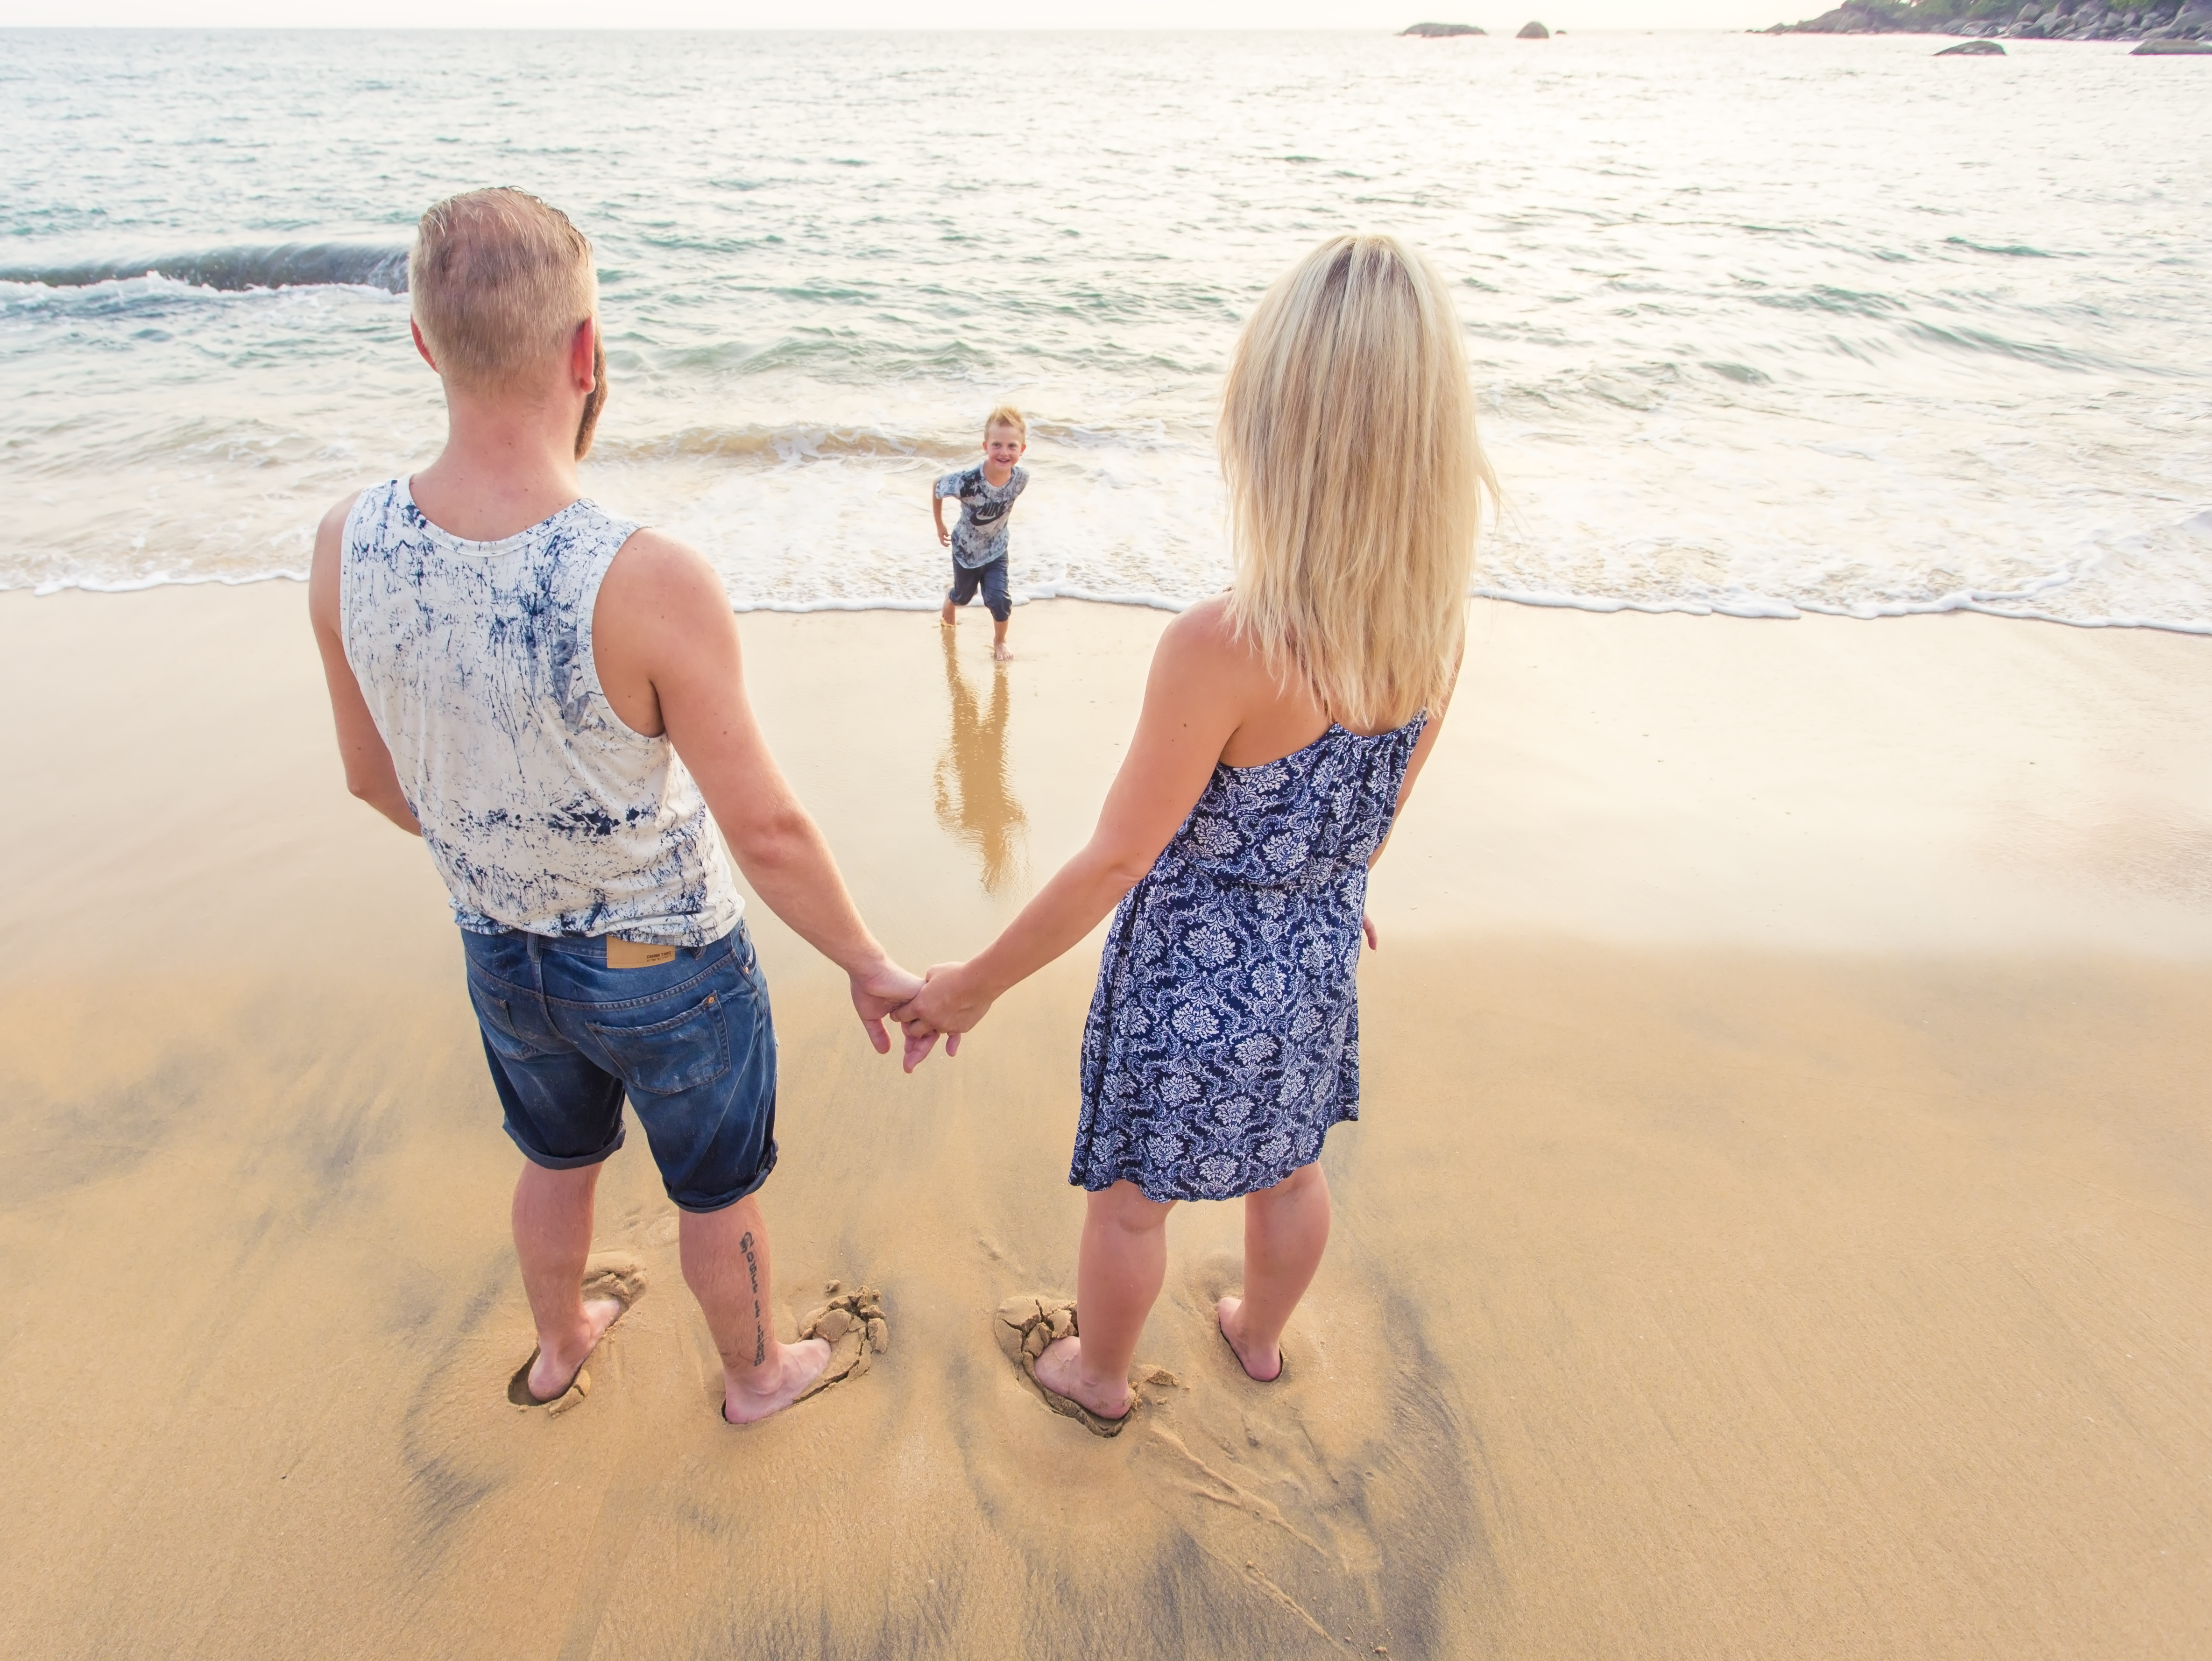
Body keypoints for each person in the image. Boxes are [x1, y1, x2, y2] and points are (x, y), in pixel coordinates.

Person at [306, 188, 926, 1427]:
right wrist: (866, 961)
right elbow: (767, 832)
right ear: (586, 355)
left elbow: (375, 781)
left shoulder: (345, 544)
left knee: (555, 1160)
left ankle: (559, 1343)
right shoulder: (646, 578)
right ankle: (757, 1375)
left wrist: (509, 846)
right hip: (666, 960)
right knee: (715, 1188)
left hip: (500, 953)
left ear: (425, 345)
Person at [900, 235, 1490, 1428]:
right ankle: (1258, 1337)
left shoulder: (1225, 646)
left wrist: (973, 983)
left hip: (1183, 976)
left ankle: (1096, 1374)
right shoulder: (1435, 635)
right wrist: (1331, 879)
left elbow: (1117, 857)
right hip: (1316, 956)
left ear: (1270, 440)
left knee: (1128, 1200)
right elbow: (1381, 807)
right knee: (1290, 1165)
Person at [931, 407, 1030, 663]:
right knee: (964, 596)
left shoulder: (1020, 480)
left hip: (997, 550)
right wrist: (940, 524)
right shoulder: (969, 481)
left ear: (1022, 450)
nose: (1004, 452)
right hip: (965, 551)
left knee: (998, 600)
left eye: (1012, 446)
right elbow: (937, 486)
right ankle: (950, 599)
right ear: (986, 446)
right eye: (997, 445)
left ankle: (1000, 641)